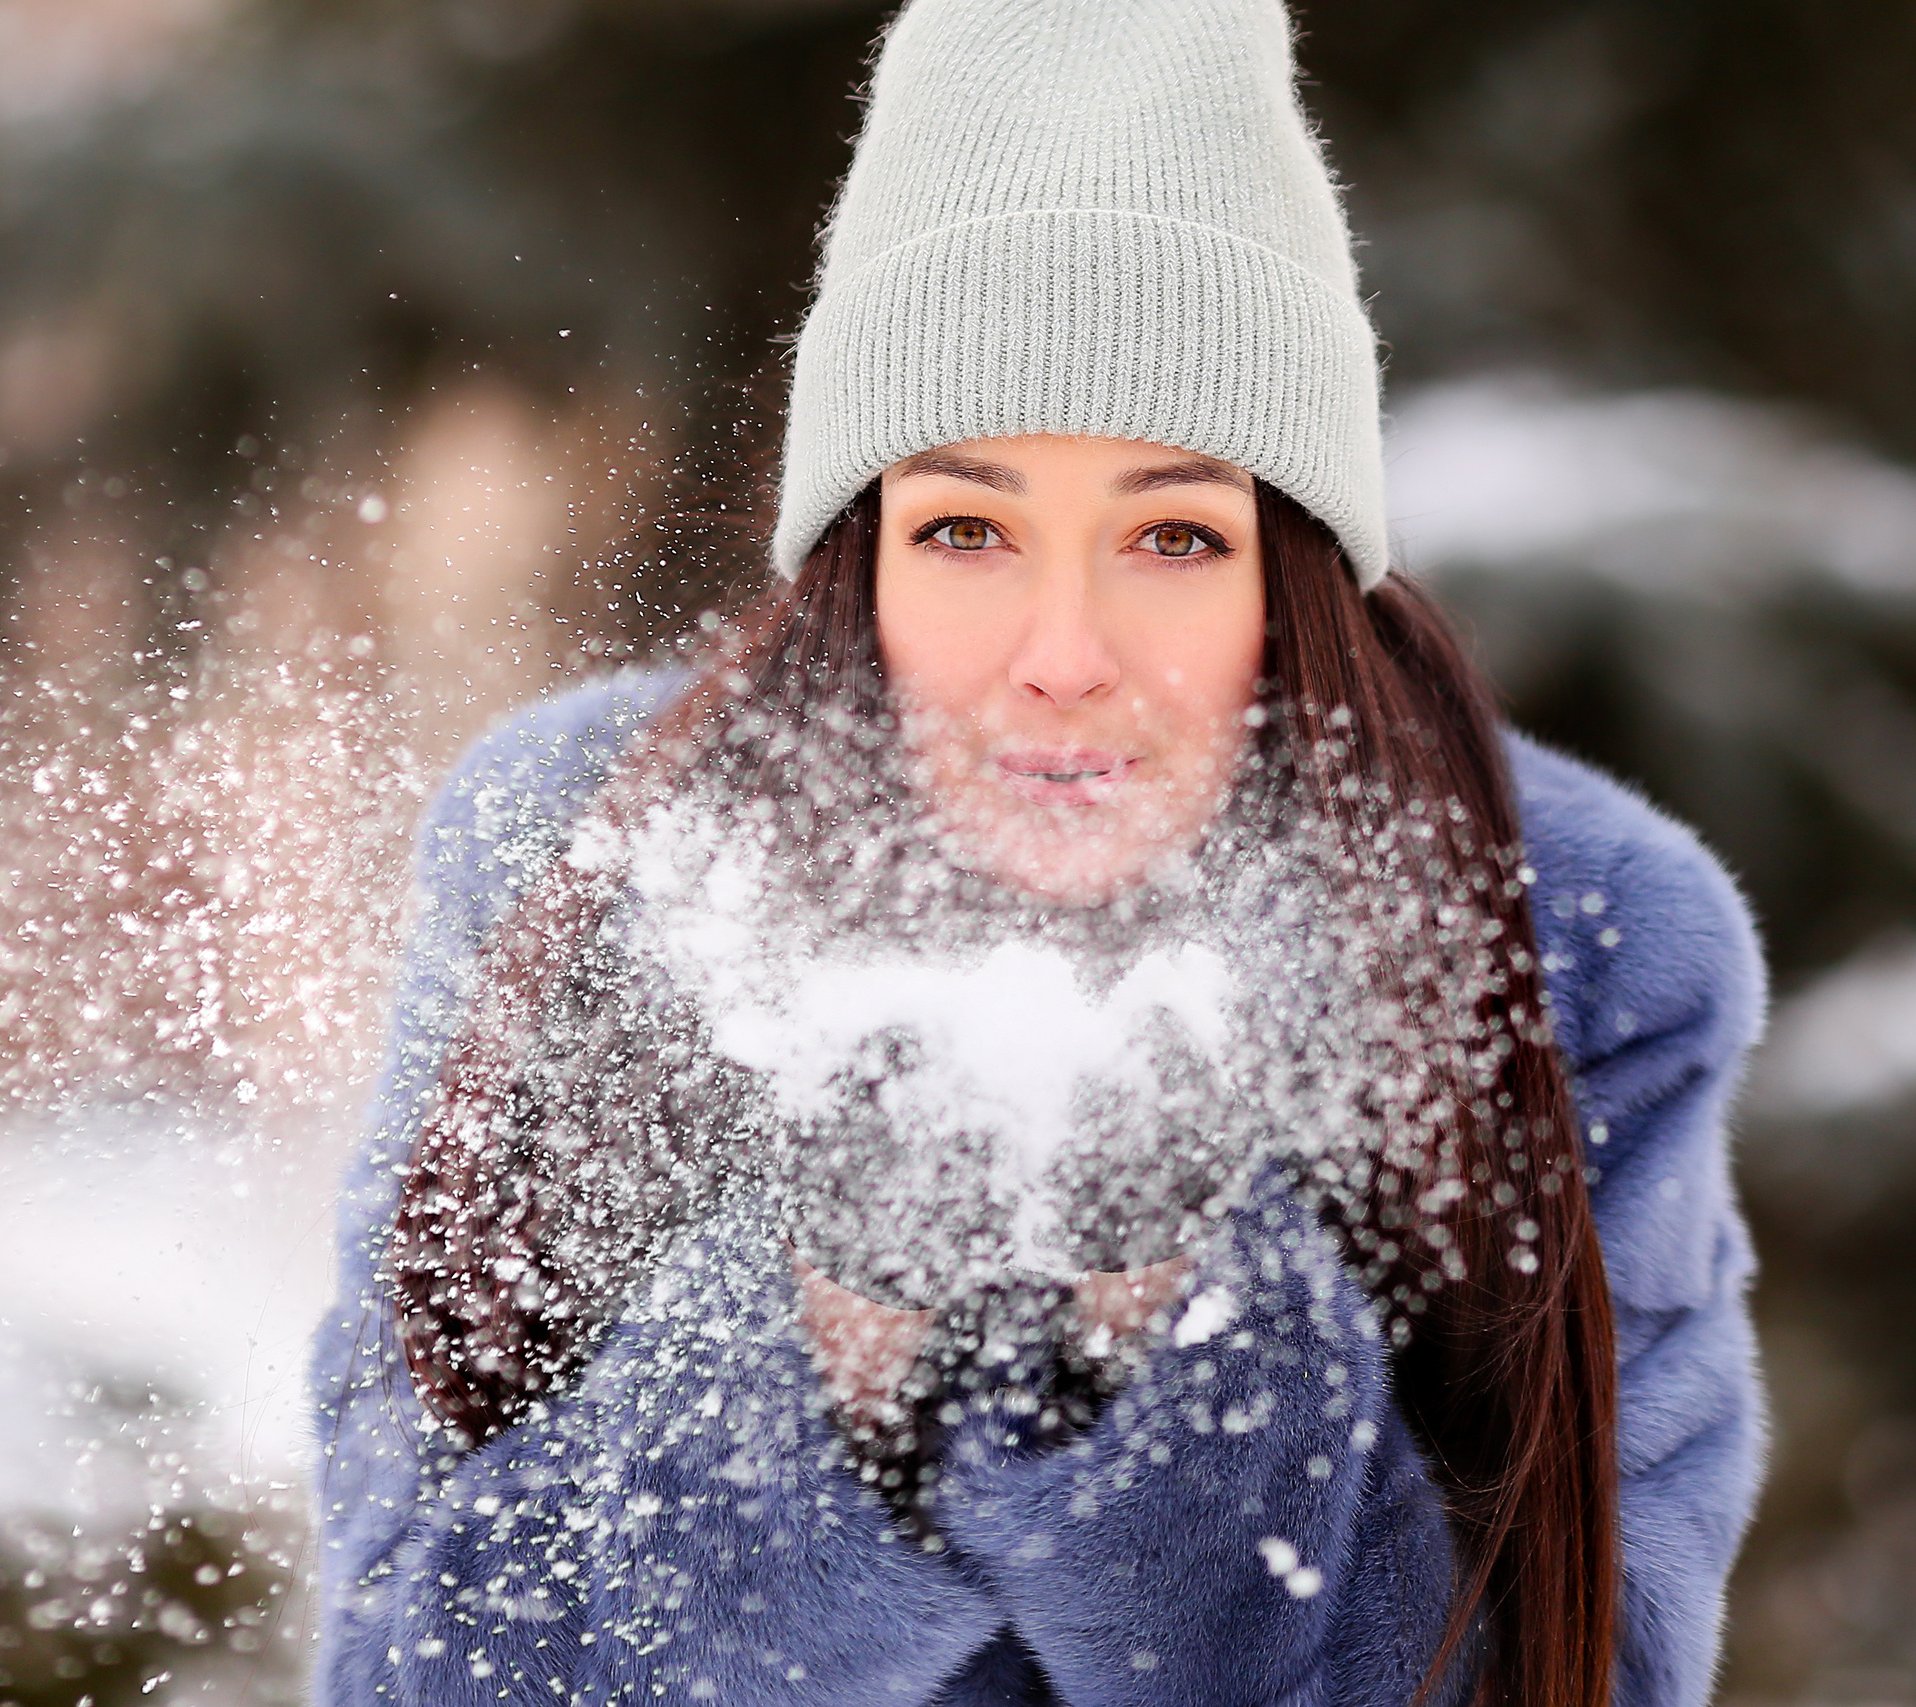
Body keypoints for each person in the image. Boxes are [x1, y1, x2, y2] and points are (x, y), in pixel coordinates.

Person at [312, 2, 1767, 1704]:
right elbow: (412, 1664)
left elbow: (1595, 1666)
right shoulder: (591, 860)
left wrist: (1180, 1354)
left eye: (1171, 535)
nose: (1065, 649)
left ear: (1289, 573)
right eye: (964, 530)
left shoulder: (1565, 947)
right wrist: (830, 1370)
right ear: (856, 559)